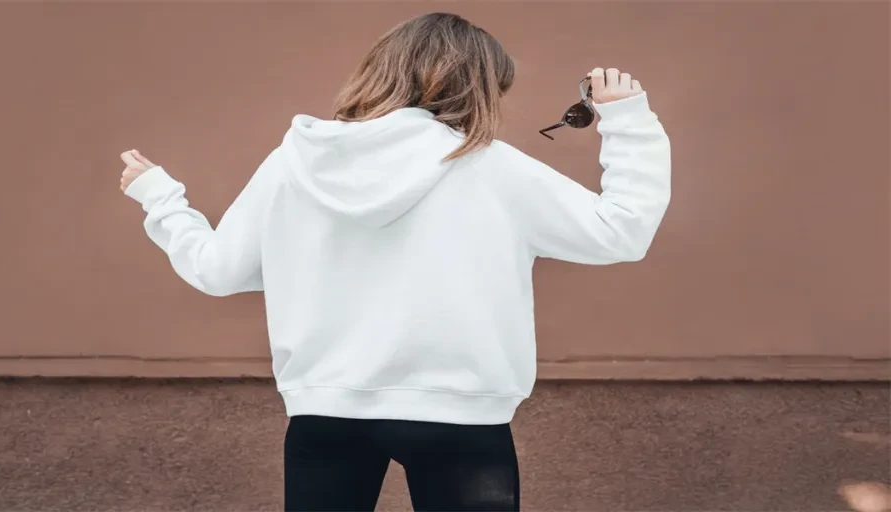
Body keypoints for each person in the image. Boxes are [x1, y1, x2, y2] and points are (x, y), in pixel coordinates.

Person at [117, 12, 670, 512]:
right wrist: (626, 119)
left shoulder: (296, 164)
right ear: (478, 87)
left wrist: (161, 198)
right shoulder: (489, 167)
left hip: (325, 412)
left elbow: (217, 271)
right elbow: (620, 232)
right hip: (463, 417)